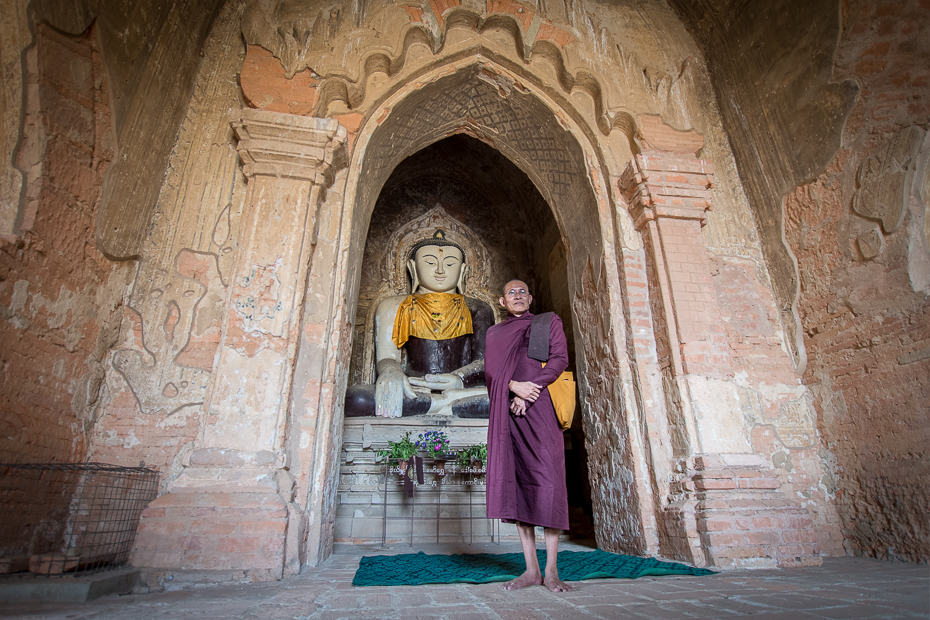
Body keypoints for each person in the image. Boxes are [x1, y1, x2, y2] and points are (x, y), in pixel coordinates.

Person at [344, 230, 494, 418]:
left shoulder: (478, 308)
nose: (440, 270)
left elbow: (484, 361)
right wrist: (391, 373)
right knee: (355, 399)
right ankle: (446, 404)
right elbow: (387, 356)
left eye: (449, 264)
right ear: (413, 268)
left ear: (462, 270)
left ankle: (443, 402)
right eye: (430, 262)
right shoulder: (393, 305)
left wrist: (459, 379)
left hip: (462, 389)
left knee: (507, 399)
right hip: (415, 389)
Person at [485, 279, 573, 592]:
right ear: (502, 301)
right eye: (512, 292)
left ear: (531, 298)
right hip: (509, 414)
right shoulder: (495, 333)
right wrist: (513, 387)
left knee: (548, 481)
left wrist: (528, 391)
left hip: (541, 410)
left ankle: (551, 570)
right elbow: (492, 373)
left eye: (523, 291)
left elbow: (560, 359)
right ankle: (531, 570)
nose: (518, 295)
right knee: (520, 483)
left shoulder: (545, 323)